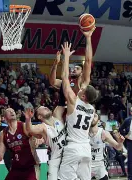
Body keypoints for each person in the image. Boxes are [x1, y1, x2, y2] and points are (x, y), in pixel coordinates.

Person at [58, 42, 98, 180]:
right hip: (86, 148)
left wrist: (66, 57)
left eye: (82, 89)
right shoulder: (91, 109)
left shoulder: (73, 101)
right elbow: (88, 61)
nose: (81, 88)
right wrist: (88, 37)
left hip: (73, 148)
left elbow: (64, 78)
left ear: (83, 95)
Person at [49, 28, 95, 109]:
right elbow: (52, 82)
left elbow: (88, 61)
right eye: (73, 68)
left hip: (76, 110)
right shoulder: (67, 81)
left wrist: (88, 38)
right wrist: (56, 63)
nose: (74, 69)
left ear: (82, 72)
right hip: (65, 113)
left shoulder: (83, 80)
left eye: (77, 68)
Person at [0, 108, 41, 180]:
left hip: (31, 166)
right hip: (16, 168)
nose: (12, 111)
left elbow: (38, 134)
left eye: (13, 110)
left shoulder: (24, 126)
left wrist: (38, 138)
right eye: (9, 111)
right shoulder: (3, 133)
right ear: (5, 118)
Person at [25, 106, 65, 180]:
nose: (46, 108)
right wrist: (28, 119)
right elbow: (30, 129)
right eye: (42, 108)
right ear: (39, 116)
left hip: (68, 155)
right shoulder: (43, 127)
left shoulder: (57, 116)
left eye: (45, 107)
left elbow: (65, 103)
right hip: (55, 159)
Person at [89, 113, 125, 179]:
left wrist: (120, 142)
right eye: (90, 116)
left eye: (94, 116)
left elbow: (118, 147)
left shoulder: (104, 133)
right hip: (85, 164)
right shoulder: (82, 133)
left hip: (99, 164)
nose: (92, 117)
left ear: (99, 120)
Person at [119, 107, 132, 180]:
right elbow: (120, 129)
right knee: (130, 160)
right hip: (130, 142)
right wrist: (124, 135)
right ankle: (130, 177)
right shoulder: (127, 120)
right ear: (130, 112)